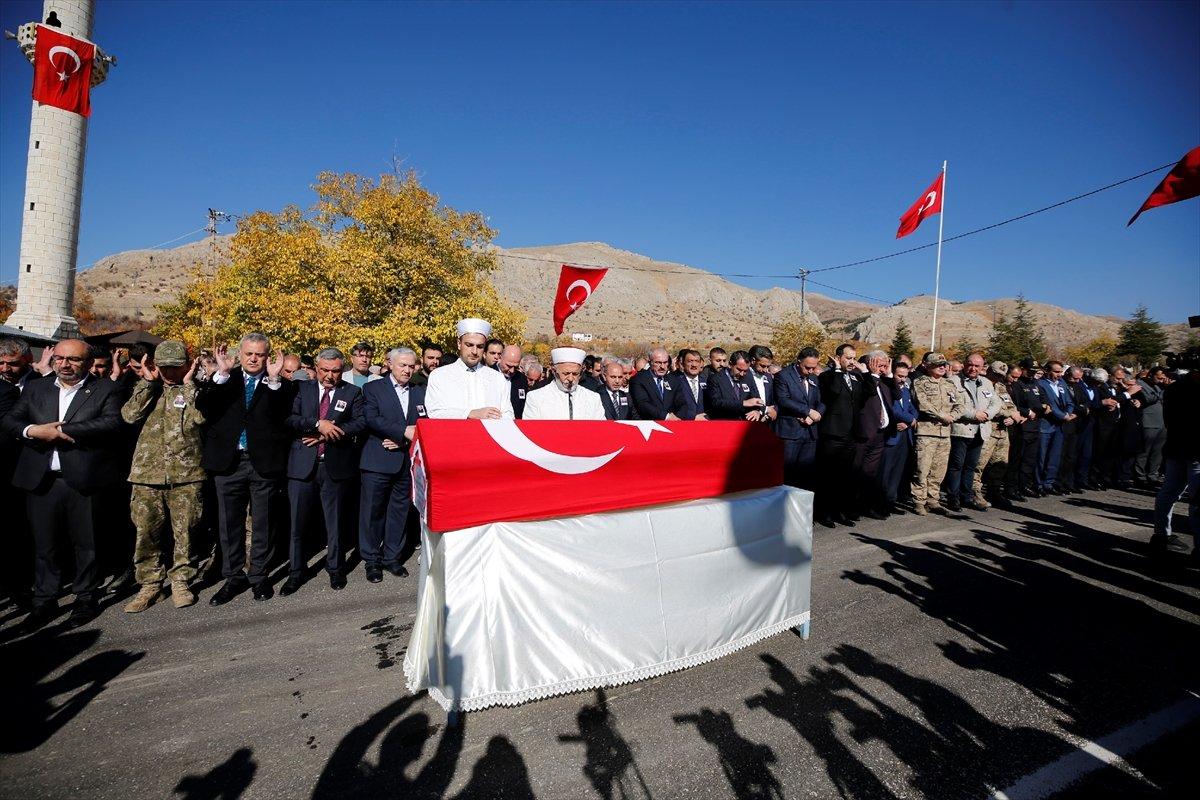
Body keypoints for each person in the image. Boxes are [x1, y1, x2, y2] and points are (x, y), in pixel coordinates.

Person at [1, 339, 125, 628]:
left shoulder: (106, 388)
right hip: (42, 480)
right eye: (59, 359)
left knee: (87, 544)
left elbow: (112, 423)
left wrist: (62, 432)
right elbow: (10, 421)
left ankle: (85, 597)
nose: (65, 365)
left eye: (73, 360)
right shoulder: (36, 388)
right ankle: (45, 600)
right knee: (45, 545)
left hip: (84, 479)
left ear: (86, 362)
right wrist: (34, 430)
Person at [197, 333, 291, 605]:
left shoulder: (280, 385)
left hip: (263, 463)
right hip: (229, 463)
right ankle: (233, 576)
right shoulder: (225, 379)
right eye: (249, 353)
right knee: (229, 524)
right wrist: (222, 374)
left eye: (259, 354)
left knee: (263, 522)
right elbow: (204, 407)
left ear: (267, 356)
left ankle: (258, 575)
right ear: (239, 355)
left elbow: (282, 415)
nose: (253, 359)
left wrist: (274, 380)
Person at [120, 341, 205, 613]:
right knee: (146, 533)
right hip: (147, 474)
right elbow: (129, 416)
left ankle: (181, 581)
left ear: (187, 365)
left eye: (175, 367)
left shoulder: (196, 390)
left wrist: (190, 385)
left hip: (186, 474)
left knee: (186, 532)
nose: (169, 373)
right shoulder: (145, 389)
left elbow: (200, 419)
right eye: (163, 367)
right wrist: (147, 383)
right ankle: (150, 585)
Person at [283, 347, 366, 595]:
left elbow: (360, 423)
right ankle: (296, 572)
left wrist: (330, 434)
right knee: (298, 524)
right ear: (316, 369)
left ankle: (336, 569)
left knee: (335, 524)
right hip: (302, 467)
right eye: (325, 370)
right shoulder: (302, 389)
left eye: (336, 371)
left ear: (343, 370)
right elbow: (290, 419)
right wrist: (319, 424)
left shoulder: (352, 392)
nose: (330, 376)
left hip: (334, 467)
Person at [360, 347, 427, 582]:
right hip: (377, 460)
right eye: (403, 365)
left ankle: (392, 558)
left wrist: (400, 441)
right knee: (372, 512)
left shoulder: (420, 392)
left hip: (405, 460)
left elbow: (425, 423)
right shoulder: (372, 388)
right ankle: (372, 560)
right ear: (390, 364)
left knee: (398, 511)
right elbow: (371, 418)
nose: (407, 370)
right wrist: (402, 431)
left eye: (411, 366)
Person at [1150, 351, 1199, 557]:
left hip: (1176, 448)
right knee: (1196, 500)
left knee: (1168, 493)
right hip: (1195, 451)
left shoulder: (1173, 389)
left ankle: (1161, 535)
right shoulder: (1186, 390)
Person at [815, 343, 866, 526]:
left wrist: (866, 372)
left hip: (851, 434)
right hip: (833, 433)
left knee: (845, 476)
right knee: (829, 476)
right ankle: (825, 512)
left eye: (854, 358)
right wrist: (836, 370)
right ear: (838, 357)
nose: (852, 362)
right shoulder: (827, 376)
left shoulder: (856, 377)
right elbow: (833, 393)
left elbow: (868, 394)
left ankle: (840, 511)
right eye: (848, 358)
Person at [943, 354, 1001, 511]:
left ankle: (966, 496)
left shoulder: (987, 383)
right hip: (962, 430)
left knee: (971, 466)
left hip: (980, 430)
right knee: (957, 465)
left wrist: (988, 414)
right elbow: (952, 403)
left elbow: (996, 402)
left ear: (982, 367)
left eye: (977, 366)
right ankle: (953, 498)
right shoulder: (953, 381)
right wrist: (973, 414)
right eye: (970, 365)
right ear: (964, 365)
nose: (973, 368)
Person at [426, 319, 515, 419]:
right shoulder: (439, 376)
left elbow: (508, 414)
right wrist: (469, 414)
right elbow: (434, 412)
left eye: (480, 346)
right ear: (459, 344)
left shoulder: (497, 378)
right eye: (469, 345)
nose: (474, 351)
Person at [910, 352, 962, 516]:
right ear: (928, 366)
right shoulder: (920, 382)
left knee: (938, 470)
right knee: (922, 469)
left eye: (943, 364)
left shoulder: (949, 384)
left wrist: (952, 416)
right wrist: (941, 416)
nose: (941, 367)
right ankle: (919, 500)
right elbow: (922, 403)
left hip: (945, 433)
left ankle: (933, 500)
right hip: (926, 433)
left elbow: (960, 404)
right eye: (937, 364)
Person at [774, 347, 824, 491]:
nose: (811, 371)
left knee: (806, 475)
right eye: (807, 367)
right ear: (798, 362)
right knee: (788, 475)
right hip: (790, 432)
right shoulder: (783, 376)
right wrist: (808, 411)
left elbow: (822, 401)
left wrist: (815, 416)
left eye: (814, 368)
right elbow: (783, 400)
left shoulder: (814, 378)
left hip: (810, 432)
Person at [853, 350, 896, 519]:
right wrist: (870, 374)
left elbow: (897, 395)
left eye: (885, 365)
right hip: (864, 432)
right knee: (857, 471)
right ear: (870, 363)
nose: (883, 369)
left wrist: (890, 374)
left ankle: (867, 505)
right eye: (880, 365)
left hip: (880, 434)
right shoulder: (861, 377)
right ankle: (853, 506)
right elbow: (868, 392)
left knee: (871, 473)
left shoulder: (885, 380)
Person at [972, 362, 1019, 507]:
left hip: (1002, 431)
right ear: (989, 371)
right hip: (987, 429)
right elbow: (988, 407)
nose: (998, 378)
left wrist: (1012, 417)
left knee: (1000, 464)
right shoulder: (981, 385)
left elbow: (1010, 405)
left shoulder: (1000, 387)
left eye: (1001, 376)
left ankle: (994, 492)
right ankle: (975, 493)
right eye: (996, 374)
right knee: (979, 464)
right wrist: (1008, 414)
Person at [523, 347, 606, 420]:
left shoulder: (593, 399)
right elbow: (530, 431)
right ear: (554, 371)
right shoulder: (535, 398)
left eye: (575, 374)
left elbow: (601, 430)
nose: (570, 379)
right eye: (566, 374)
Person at [880, 357, 917, 511]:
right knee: (886, 471)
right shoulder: (887, 388)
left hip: (905, 435)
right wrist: (909, 419)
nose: (902, 379)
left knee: (898, 471)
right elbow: (892, 409)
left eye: (905, 376)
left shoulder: (906, 389)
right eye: (899, 376)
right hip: (891, 435)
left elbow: (912, 408)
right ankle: (881, 501)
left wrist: (910, 420)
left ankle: (891, 500)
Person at [1006, 359, 1046, 498]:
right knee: (1016, 459)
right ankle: (1011, 487)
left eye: (1034, 371)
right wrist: (1028, 412)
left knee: (1029, 459)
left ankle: (1024, 485)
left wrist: (1044, 407)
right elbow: (1014, 404)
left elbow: (1043, 400)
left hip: (1035, 426)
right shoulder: (1017, 384)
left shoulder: (1035, 384)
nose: (1032, 374)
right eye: (1030, 371)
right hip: (1022, 427)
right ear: (1023, 368)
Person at [1035, 360, 1075, 495]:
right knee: (1041, 456)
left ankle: (1049, 482)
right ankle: (1038, 483)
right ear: (1047, 371)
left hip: (1060, 426)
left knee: (1055, 456)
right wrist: (1062, 416)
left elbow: (1069, 401)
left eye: (1060, 372)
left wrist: (1068, 413)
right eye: (1056, 372)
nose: (1059, 375)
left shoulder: (1062, 383)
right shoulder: (1040, 384)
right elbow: (1048, 404)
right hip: (1046, 424)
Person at [705, 350, 765, 421]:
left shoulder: (748, 377)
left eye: (745, 370)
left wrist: (757, 411)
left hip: (744, 424)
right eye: (739, 370)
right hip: (724, 423)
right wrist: (743, 403)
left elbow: (757, 399)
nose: (742, 374)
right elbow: (716, 402)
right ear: (730, 365)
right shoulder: (715, 379)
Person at [629, 348, 688, 420]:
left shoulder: (673, 380)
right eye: (658, 363)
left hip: (673, 425)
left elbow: (682, 402)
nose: (662, 367)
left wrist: (677, 417)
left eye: (665, 362)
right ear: (650, 363)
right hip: (649, 425)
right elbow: (643, 404)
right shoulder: (639, 379)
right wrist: (666, 417)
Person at [1133, 366, 1166, 487]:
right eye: (1159, 378)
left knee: (1158, 451)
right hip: (1149, 421)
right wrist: (1163, 389)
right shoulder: (1140, 384)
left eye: (1163, 378)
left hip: (1161, 421)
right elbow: (1148, 399)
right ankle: (1140, 475)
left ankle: (1153, 474)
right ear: (1151, 375)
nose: (1161, 380)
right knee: (1144, 451)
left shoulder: (1157, 386)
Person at [668, 349, 708, 420]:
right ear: (683, 364)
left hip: (705, 424)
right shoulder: (674, 382)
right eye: (690, 361)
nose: (694, 365)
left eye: (697, 361)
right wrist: (693, 416)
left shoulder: (707, 381)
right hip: (683, 424)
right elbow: (672, 406)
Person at [498, 345, 529, 419]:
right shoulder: (487, 375)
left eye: (515, 367)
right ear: (500, 358)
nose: (512, 370)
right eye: (508, 366)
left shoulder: (521, 379)